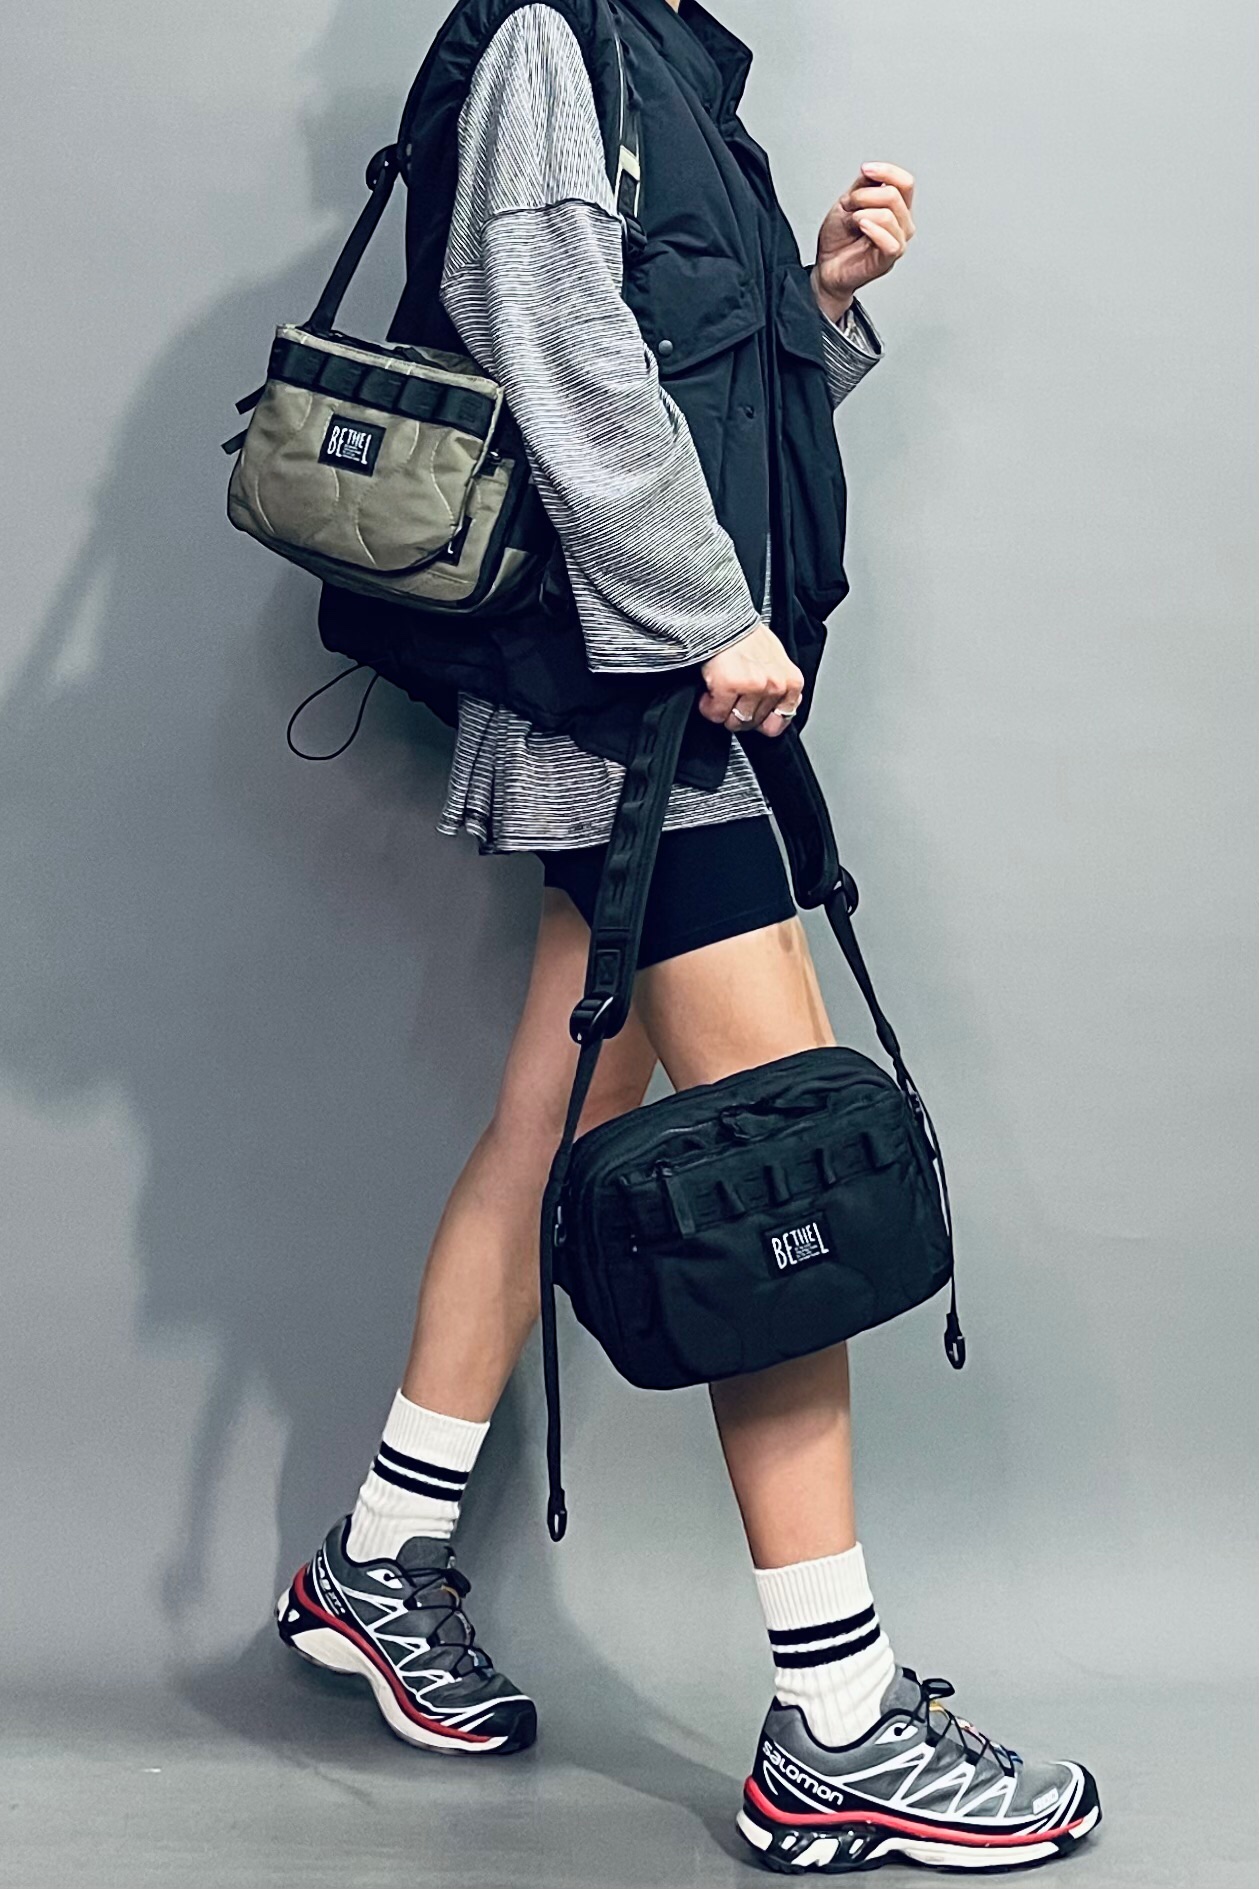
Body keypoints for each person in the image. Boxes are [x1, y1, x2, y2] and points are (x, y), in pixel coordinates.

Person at [277, 0, 1101, 1870]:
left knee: (552, 1126)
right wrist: (704, 617)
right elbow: (558, 356)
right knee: (774, 1169)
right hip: (630, 704)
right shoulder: (551, 42)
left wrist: (817, 298)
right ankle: (835, 1729)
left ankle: (376, 1564)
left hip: (651, 695)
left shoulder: (658, 61)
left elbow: (678, 379)